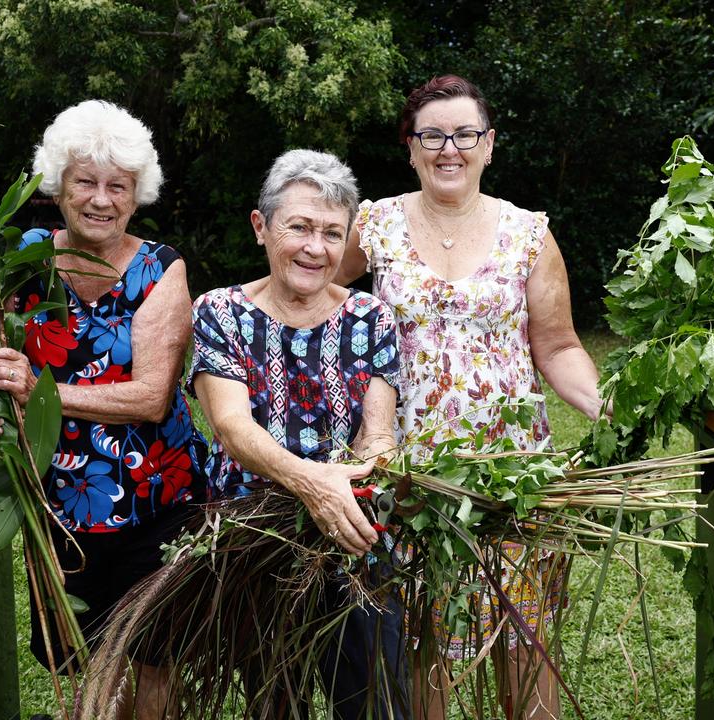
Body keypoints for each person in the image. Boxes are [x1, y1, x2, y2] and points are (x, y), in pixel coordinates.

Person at [336, 74, 608, 720]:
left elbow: (560, 346)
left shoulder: (528, 236)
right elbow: (316, 291)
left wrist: (611, 410)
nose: (448, 148)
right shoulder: (373, 227)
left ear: (489, 146)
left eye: (465, 134)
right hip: (410, 481)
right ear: (410, 148)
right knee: (426, 652)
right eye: (432, 134)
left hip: (512, 477)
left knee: (525, 643)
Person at [0, 99, 207, 720]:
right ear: (59, 186)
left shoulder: (161, 268)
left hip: (156, 496)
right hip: (56, 499)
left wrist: (38, 393)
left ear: (137, 195)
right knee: (78, 662)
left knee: (157, 660)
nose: (101, 199)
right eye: (85, 182)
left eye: (118, 186)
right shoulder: (21, 258)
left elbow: (153, 397)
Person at [189, 149, 407, 719]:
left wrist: (359, 483)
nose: (316, 248)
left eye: (333, 233)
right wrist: (314, 485)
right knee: (274, 699)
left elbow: (378, 433)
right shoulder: (220, 312)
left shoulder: (370, 316)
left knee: (376, 698)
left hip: (356, 530)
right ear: (261, 228)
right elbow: (232, 426)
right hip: (257, 533)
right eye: (301, 227)